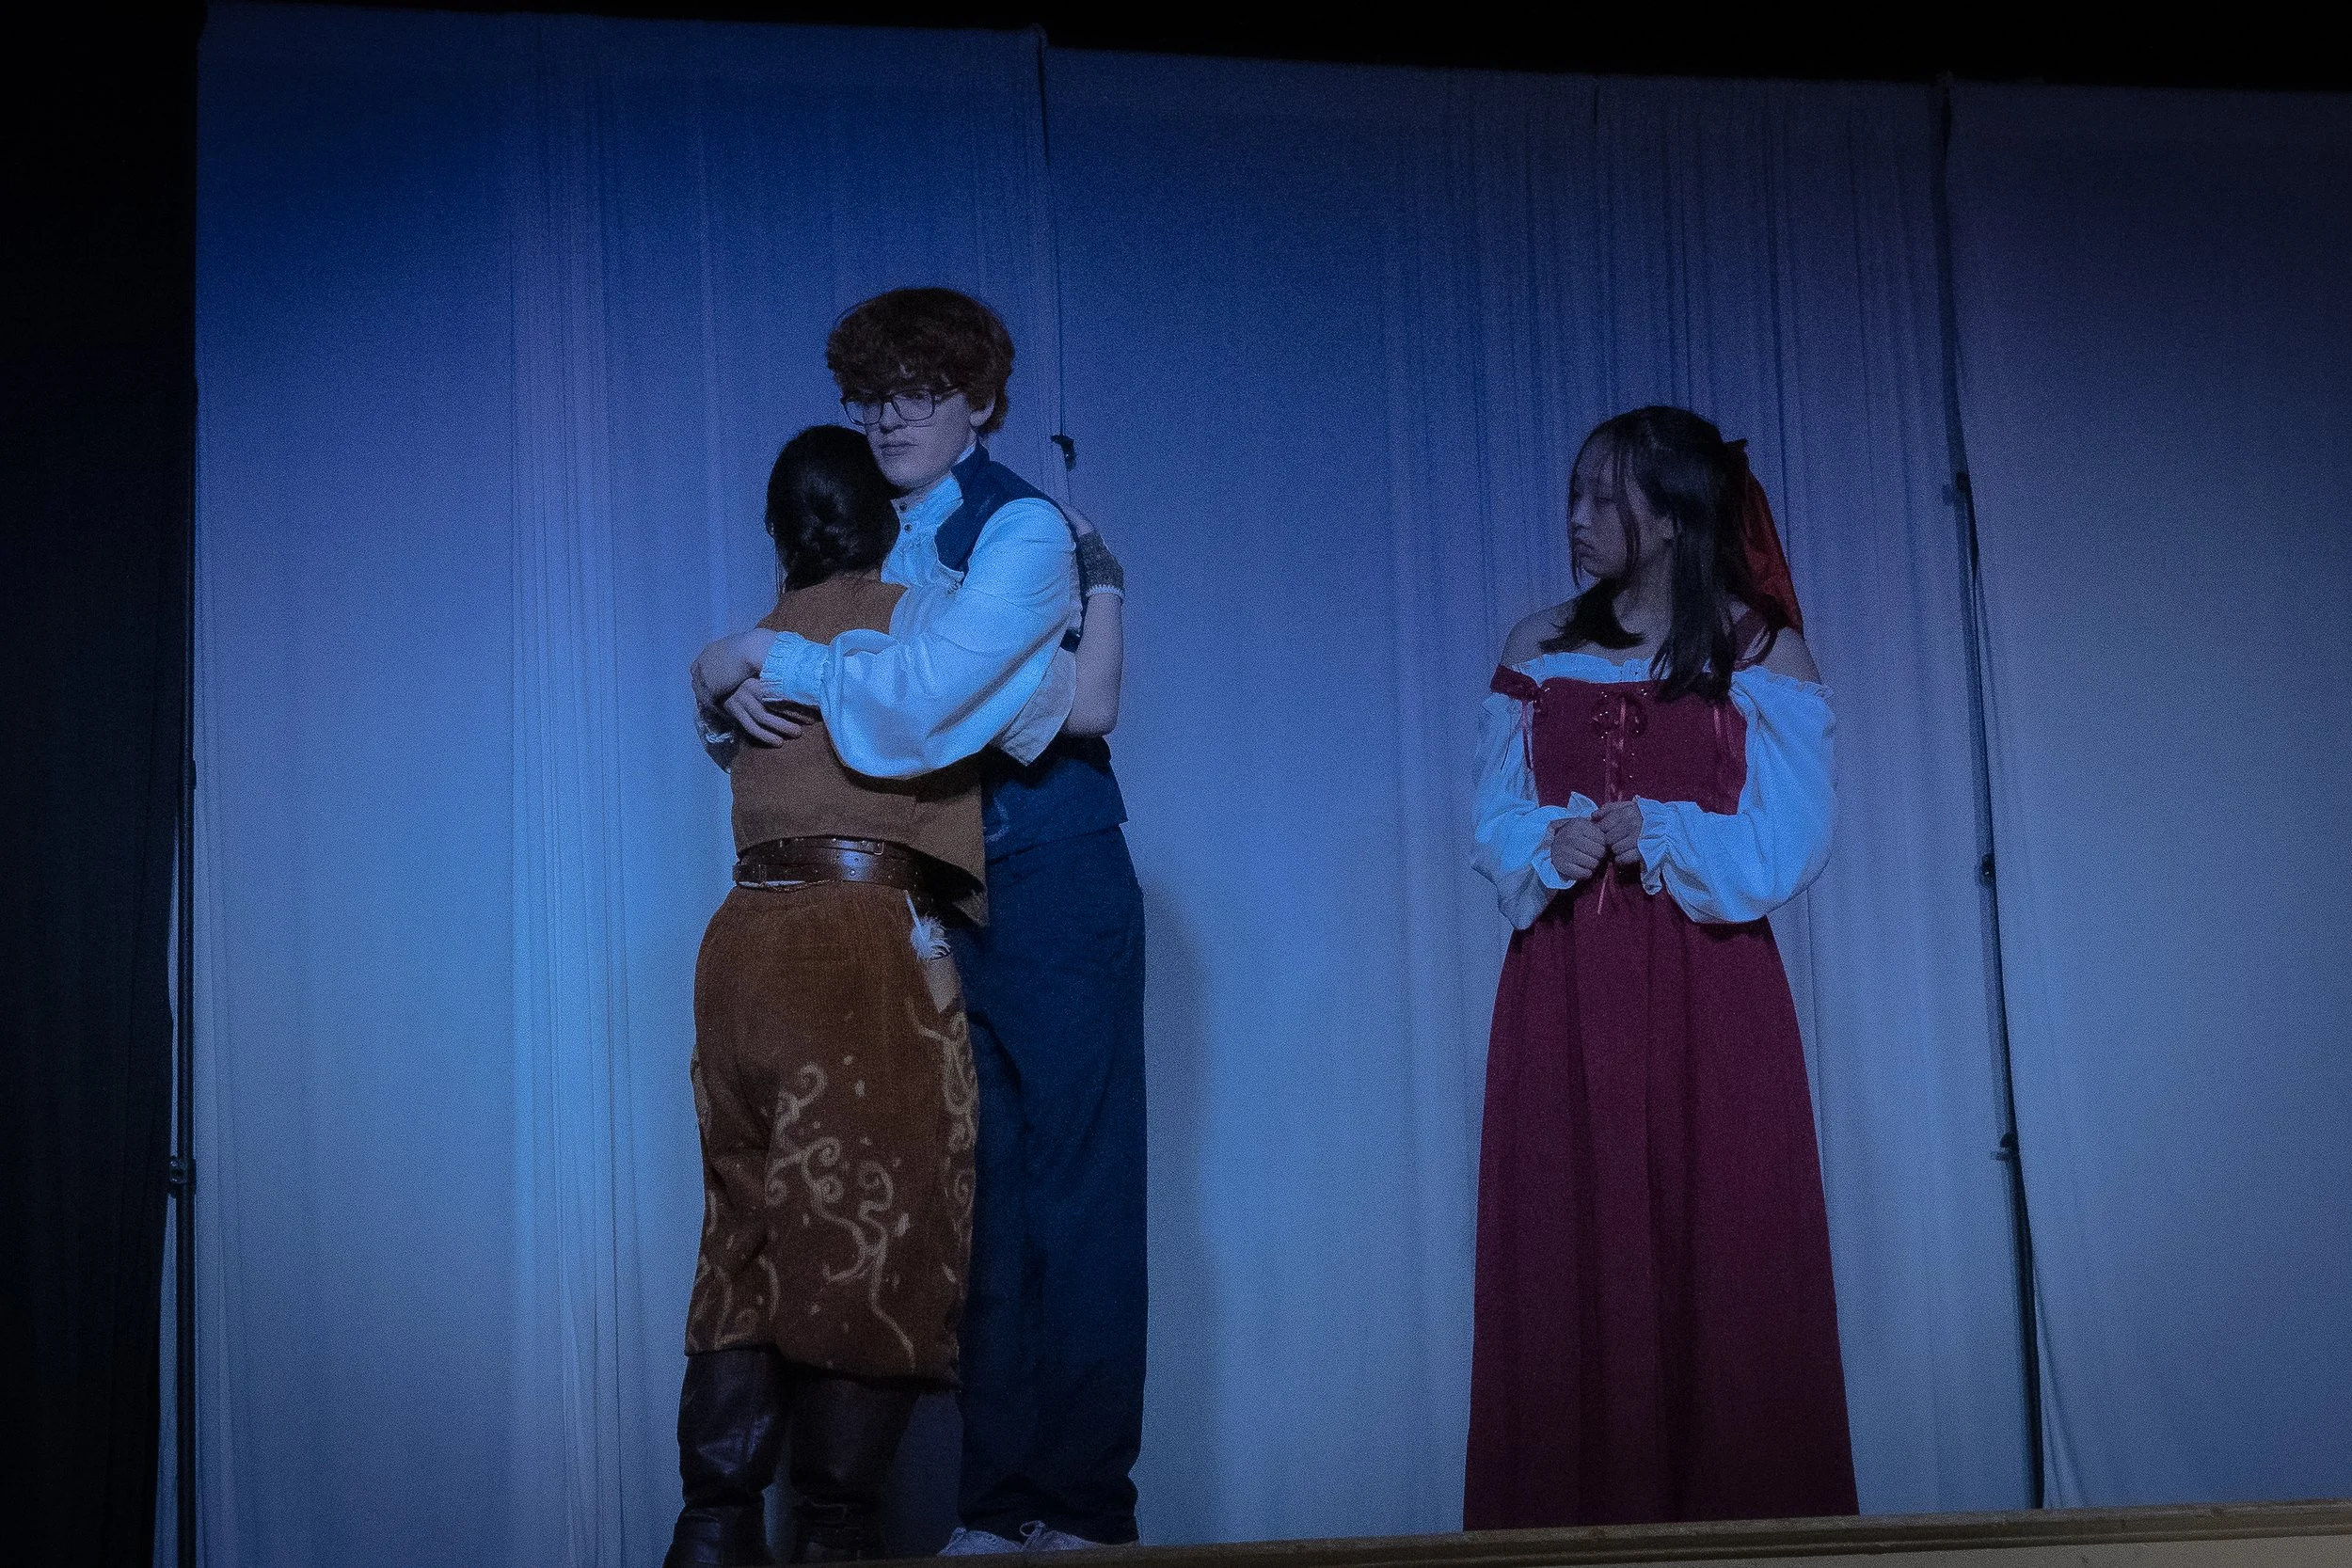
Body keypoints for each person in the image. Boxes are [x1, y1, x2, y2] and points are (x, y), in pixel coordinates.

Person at [692, 288, 1145, 1554]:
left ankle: (1087, 1507)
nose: (891, 415)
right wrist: (720, 673)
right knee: (973, 1196)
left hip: (1054, 875)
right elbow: (793, 713)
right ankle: (998, 1505)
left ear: (980, 404)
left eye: (921, 393)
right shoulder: (875, 540)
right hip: (931, 889)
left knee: (1079, 1192)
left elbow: (916, 707)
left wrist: (769, 657)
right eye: (873, 393)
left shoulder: (1028, 529)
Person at [1464, 406, 1857, 1528]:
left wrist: (1667, 833)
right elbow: (1494, 810)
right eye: (1574, 493)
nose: (1577, 518)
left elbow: (1795, 833)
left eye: (1605, 497)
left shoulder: (1756, 649)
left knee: (1719, 1250)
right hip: (1565, 981)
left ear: (1676, 516)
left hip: (1705, 986)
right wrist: (1549, 841)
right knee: (1567, 1250)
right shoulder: (1536, 643)